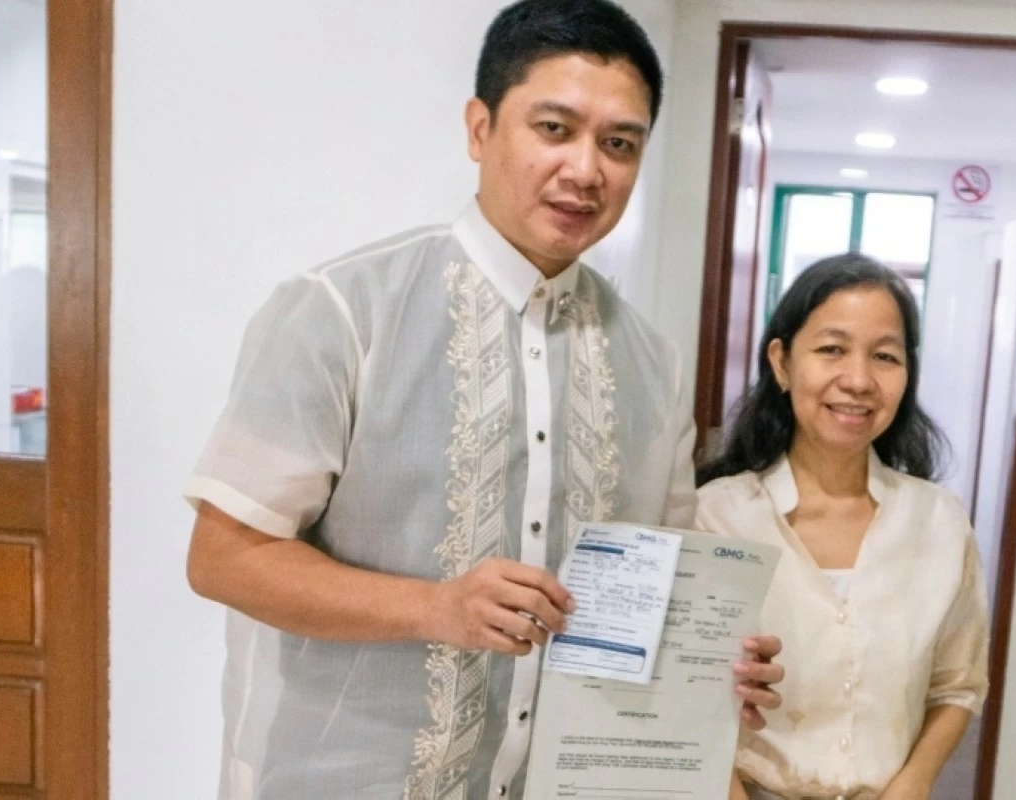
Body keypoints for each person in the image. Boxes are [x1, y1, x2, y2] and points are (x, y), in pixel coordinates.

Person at [183, 1, 784, 797]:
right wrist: (435, 608)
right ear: (480, 128)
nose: (586, 169)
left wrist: (712, 674)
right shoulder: (341, 311)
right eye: (554, 128)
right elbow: (223, 559)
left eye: (619, 144)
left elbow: (656, 595)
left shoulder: (656, 365)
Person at [698, 254, 989, 800]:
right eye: (831, 349)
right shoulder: (715, 518)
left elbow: (959, 683)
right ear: (782, 363)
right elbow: (682, 693)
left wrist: (914, 783)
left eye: (884, 356)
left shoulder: (938, 522)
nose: (858, 380)